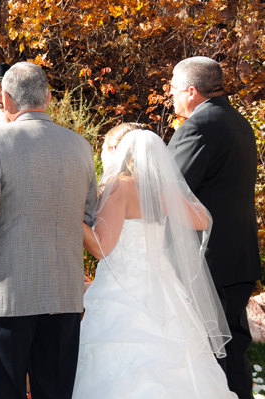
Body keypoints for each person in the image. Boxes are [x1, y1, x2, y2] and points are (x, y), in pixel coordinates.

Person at [0, 61, 97, 399]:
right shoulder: (81, 146)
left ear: (5, 98)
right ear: (48, 98)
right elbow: (89, 214)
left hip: (9, 296)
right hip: (65, 293)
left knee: (6, 391)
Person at [75, 127, 237, 398]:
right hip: (164, 290)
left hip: (122, 292)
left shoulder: (119, 187)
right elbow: (203, 220)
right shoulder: (159, 191)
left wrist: (71, 216)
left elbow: (101, 248)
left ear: (119, 152)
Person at [168, 56, 261, 399]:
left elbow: (168, 188)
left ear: (191, 91)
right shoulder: (239, 122)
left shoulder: (198, 126)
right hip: (239, 256)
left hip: (207, 263)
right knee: (233, 347)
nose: (172, 96)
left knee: (209, 351)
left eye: (174, 89)